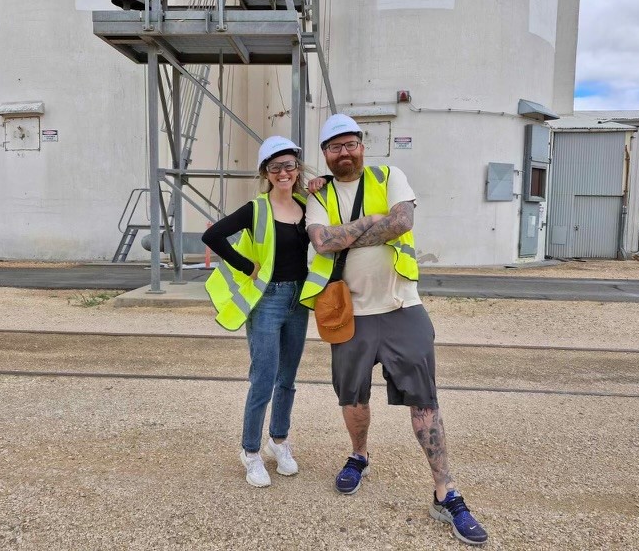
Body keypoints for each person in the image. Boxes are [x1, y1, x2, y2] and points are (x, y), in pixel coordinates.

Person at [300, 114, 488, 546]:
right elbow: (322, 242)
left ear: (362, 146)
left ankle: (446, 492)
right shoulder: (321, 193)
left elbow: (401, 222)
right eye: (334, 147)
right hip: (350, 315)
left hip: (404, 308)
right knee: (352, 396)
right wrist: (373, 225)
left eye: (350, 144)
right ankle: (359, 456)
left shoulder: (390, 175)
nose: (344, 152)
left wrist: (349, 231)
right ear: (325, 155)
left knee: (424, 401)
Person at [202, 135, 310, 488]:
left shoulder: (308, 205)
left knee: (288, 378)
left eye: (289, 166)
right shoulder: (256, 208)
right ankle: (250, 452)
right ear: (266, 172)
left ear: (297, 169)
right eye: (275, 167)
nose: (283, 173)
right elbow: (214, 236)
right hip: (268, 301)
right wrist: (245, 264)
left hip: (299, 301)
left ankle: (278, 441)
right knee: (263, 377)